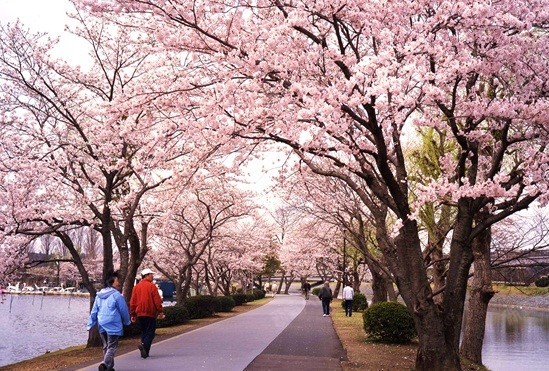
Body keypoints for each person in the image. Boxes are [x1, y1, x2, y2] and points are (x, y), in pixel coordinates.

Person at [86, 271, 131, 371]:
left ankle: (109, 367)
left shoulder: (99, 295)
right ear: (112, 282)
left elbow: (94, 311)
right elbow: (123, 310)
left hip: (101, 323)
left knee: (106, 346)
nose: (118, 282)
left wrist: (90, 324)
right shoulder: (117, 295)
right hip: (113, 324)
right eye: (117, 280)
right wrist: (127, 322)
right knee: (112, 346)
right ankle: (105, 364)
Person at [130, 268, 165, 359]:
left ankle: (145, 351)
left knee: (144, 331)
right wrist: (160, 311)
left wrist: (133, 314)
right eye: (151, 274)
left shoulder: (136, 287)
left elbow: (133, 301)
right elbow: (157, 300)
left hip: (140, 313)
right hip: (150, 312)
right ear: (146, 276)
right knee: (150, 332)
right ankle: (144, 345)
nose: (152, 276)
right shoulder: (152, 286)